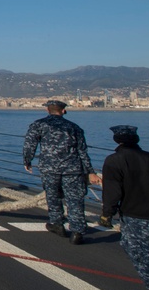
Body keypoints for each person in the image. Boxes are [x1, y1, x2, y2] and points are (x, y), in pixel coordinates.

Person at [99, 125, 149, 290]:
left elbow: (112, 192)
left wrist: (107, 214)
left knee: (142, 253)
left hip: (137, 216)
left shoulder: (115, 160)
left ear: (117, 140)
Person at [23, 100, 100, 245]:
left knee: (52, 196)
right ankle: (77, 231)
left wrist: (27, 160)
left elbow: (29, 144)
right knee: (75, 199)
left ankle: (57, 223)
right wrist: (90, 171)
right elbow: (82, 152)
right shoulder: (74, 127)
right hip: (72, 169)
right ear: (63, 111)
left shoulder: (39, 125)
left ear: (47, 110)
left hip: (49, 168)